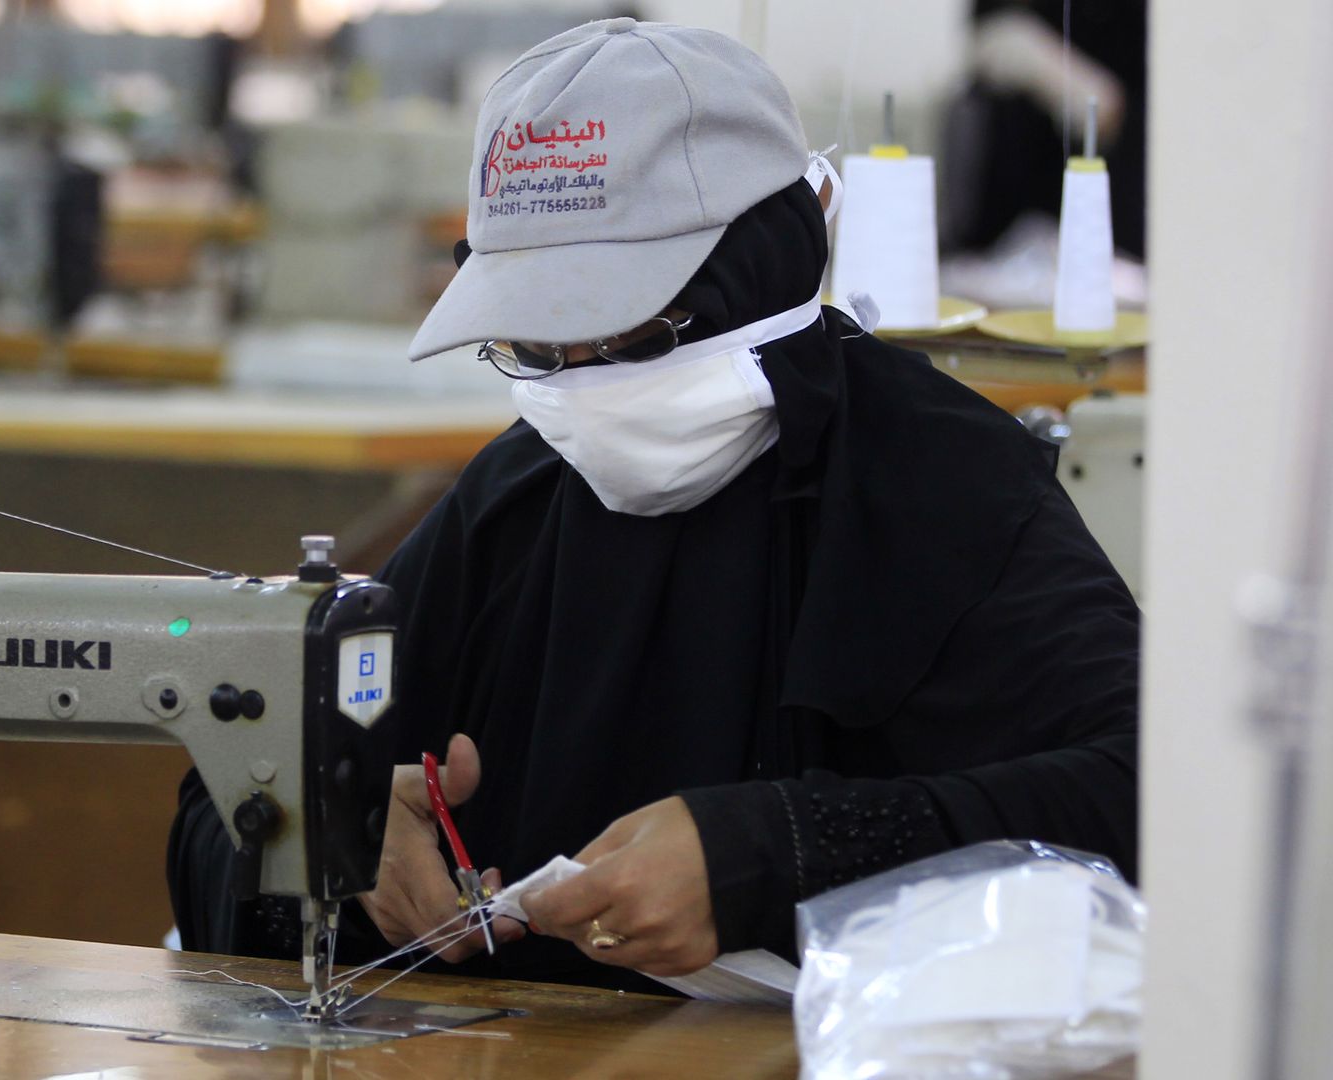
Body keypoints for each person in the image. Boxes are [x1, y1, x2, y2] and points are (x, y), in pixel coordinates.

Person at [169, 18, 1138, 993]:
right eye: (537, 347)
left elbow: (1147, 796)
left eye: (626, 334)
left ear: (756, 265)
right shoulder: (514, 499)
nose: (579, 384)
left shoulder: (939, 483)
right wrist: (337, 843)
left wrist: (781, 852)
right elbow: (226, 802)